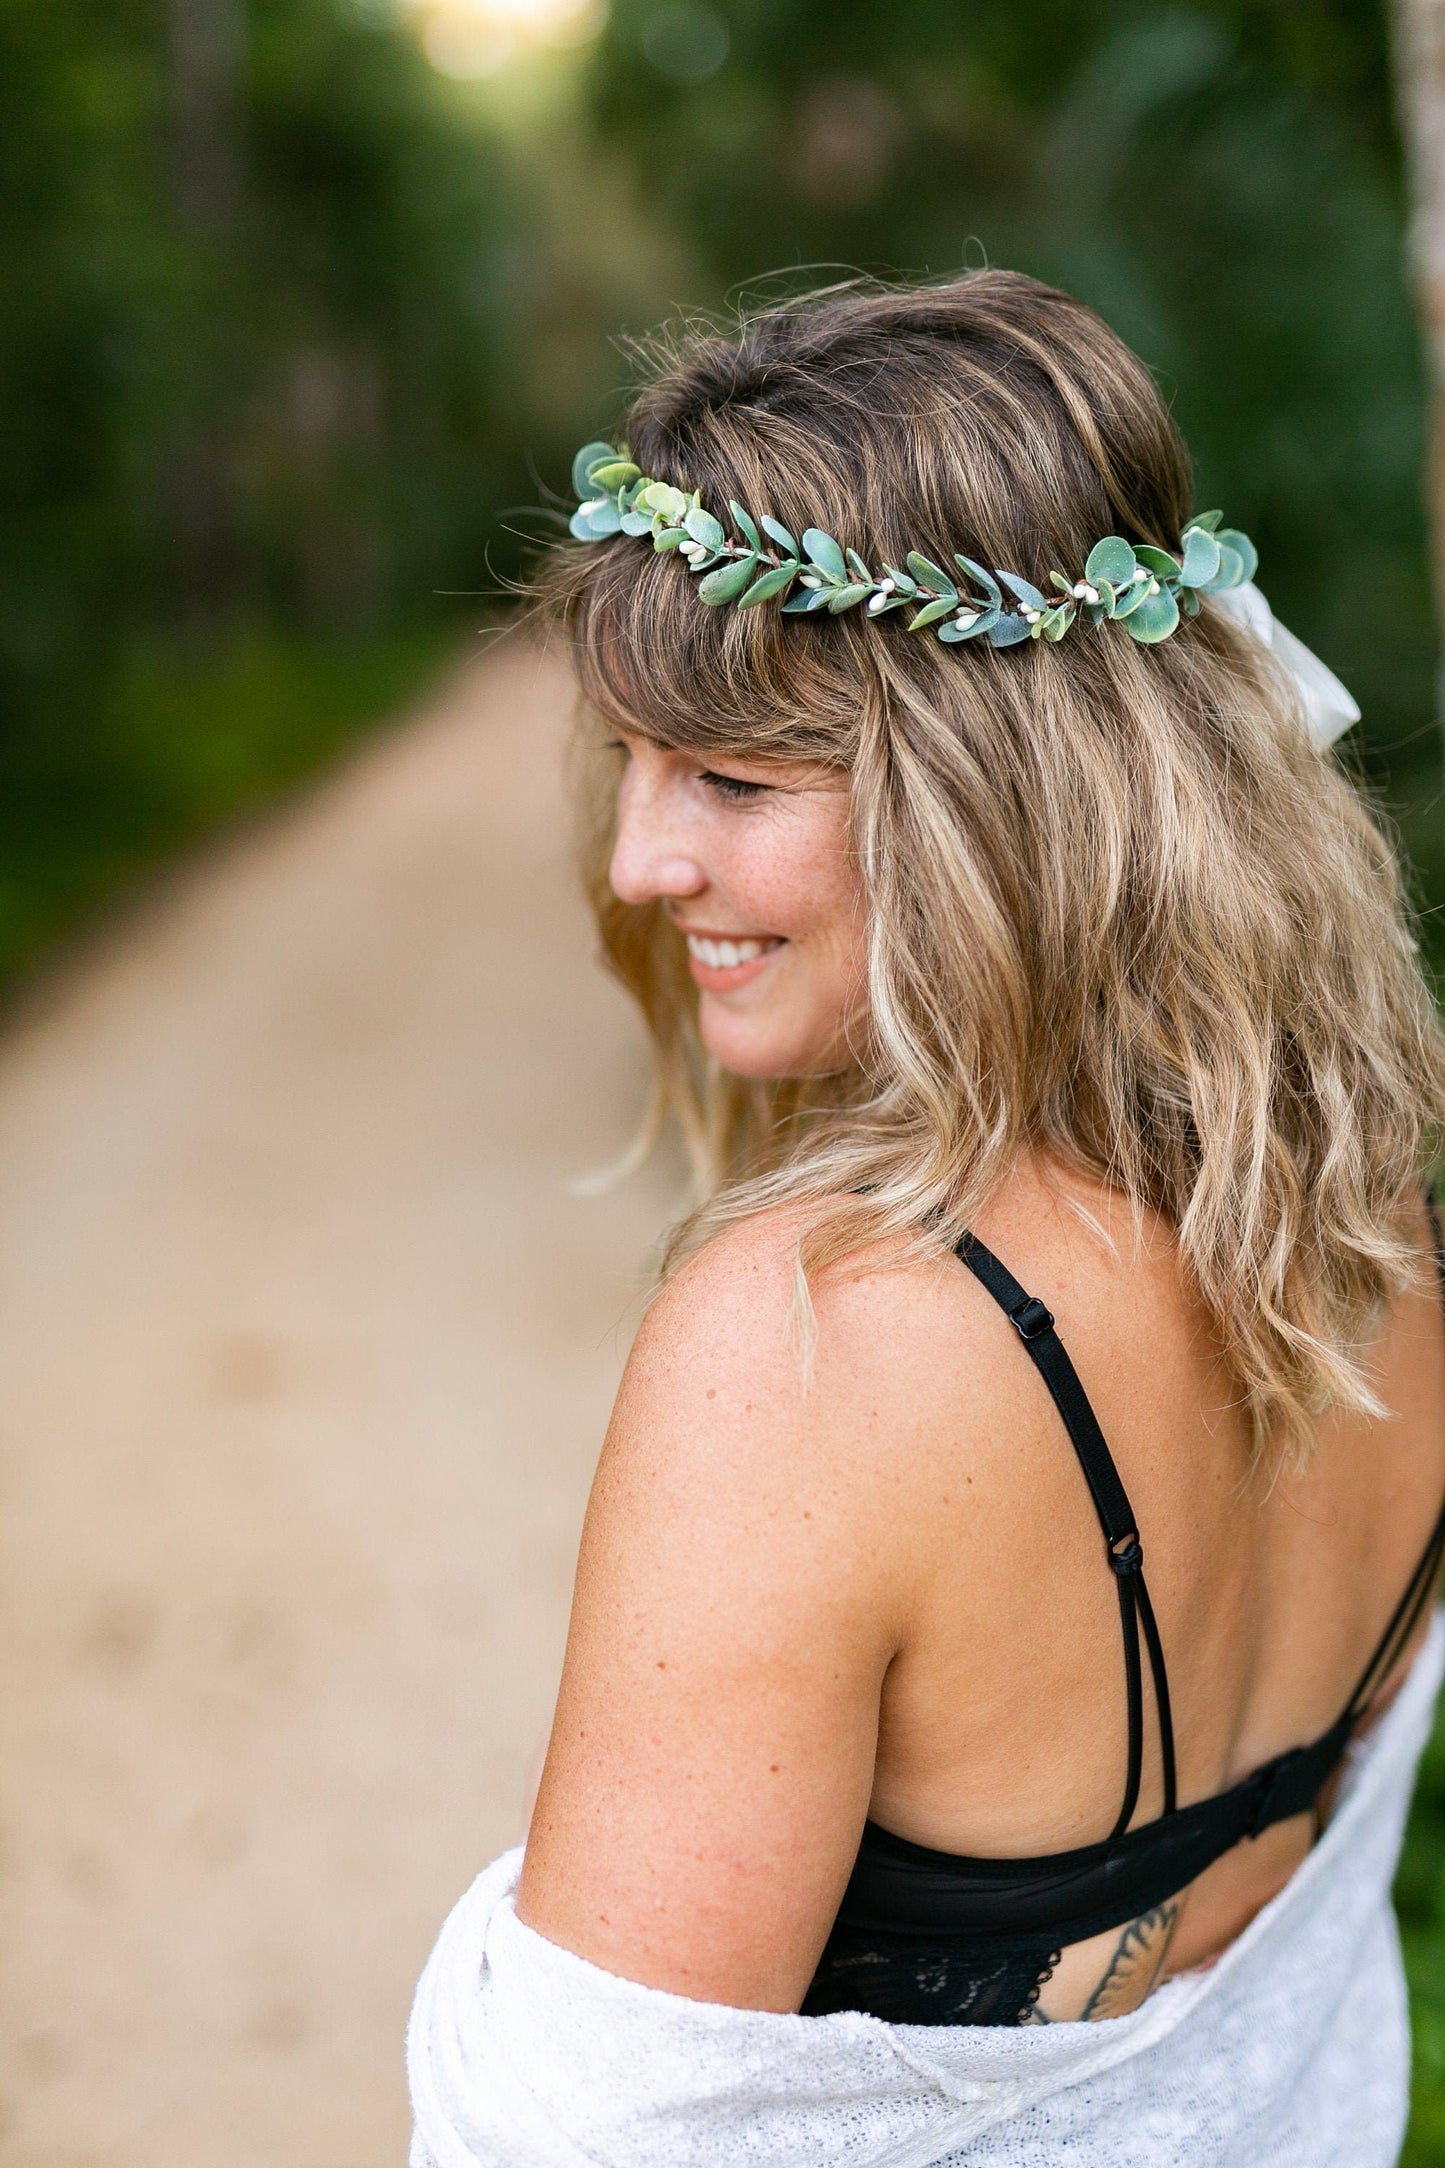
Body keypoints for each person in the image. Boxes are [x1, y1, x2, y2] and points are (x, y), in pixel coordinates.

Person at [408, 271, 1445, 2166]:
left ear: (1004, 794)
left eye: (731, 776)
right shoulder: (1377, 1223)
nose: (645, 863)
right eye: (633, 762)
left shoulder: (816, 1343)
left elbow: (589, 2136)